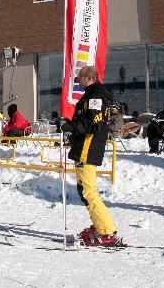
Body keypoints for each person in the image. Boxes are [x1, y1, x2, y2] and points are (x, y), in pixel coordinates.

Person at [64, 65, 119, 247]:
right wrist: (70, 125)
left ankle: (107, 231)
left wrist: (72, 127)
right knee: (83, 190)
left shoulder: (95, 96)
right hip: (82, 147)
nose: (77, 80)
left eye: (80, 77)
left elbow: (94, 125)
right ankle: (99, 225)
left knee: (88, 191)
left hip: (88, 148)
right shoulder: (90, 94)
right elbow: (85, 121)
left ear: (89, 78)